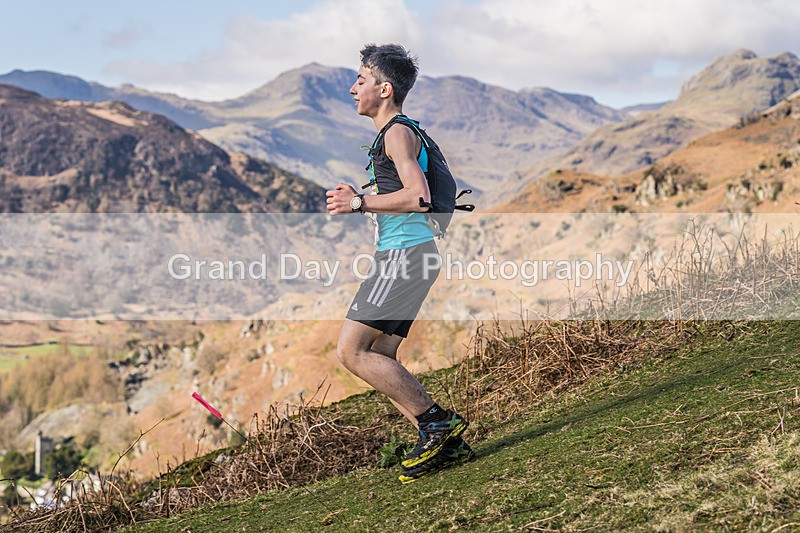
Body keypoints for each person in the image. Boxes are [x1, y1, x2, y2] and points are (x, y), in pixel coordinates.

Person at [326, 44, 472, 483]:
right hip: (412, 255)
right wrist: (363, 198)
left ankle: (436, 424)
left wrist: (357, 202)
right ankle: (445, 446)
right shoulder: (395, 134)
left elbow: (418, 196)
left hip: (405, 257)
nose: (353, 88)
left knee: (351, 351)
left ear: (384, 89)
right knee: (381, 353)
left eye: (361, 80)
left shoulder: (396, 133)